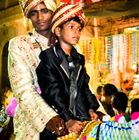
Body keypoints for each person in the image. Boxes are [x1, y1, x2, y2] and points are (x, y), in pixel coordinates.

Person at [36, 3, 99, 134]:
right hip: (58, 121)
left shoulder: (79, 59)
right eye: (71, 27)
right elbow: (53, 92)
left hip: (81, 118)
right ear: (58, 31)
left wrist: (91, 108)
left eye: (79, 28)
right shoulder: (49, 59)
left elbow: (84, 87)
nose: (76, 32)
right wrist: (68, 119)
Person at [8, 0, 67, 139]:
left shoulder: (66, 44)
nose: (40, 18)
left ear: (54, 13)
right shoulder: (19, 44)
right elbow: (23, 89)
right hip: (34, 124)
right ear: (28, 17)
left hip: (68, 121)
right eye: (34, 13)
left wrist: (94, 109)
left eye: (45, 11)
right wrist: (48, 116)